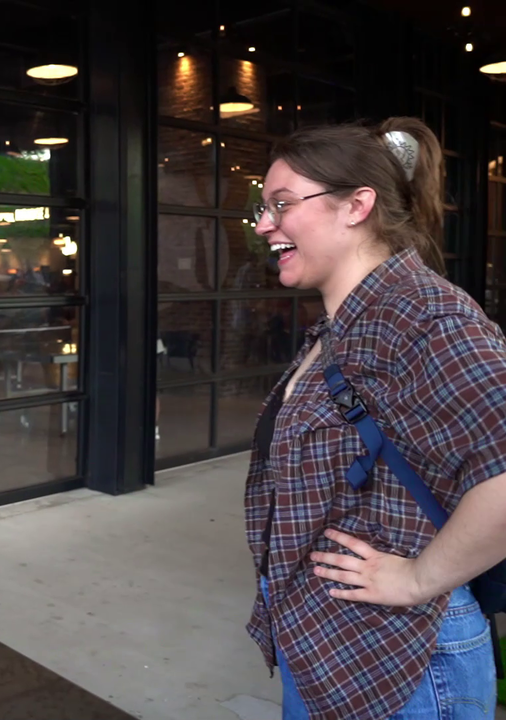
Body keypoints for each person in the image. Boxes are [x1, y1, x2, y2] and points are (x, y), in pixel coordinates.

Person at [247, 117, 506, 719]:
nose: (264, 225)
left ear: (356, 206)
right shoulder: (343, 325)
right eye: (262, 208)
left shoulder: (425, 315)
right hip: (328, 648)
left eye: (281, 204)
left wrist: (416, 579)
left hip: (401, 664)